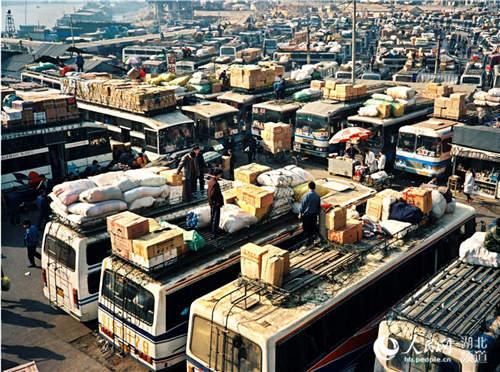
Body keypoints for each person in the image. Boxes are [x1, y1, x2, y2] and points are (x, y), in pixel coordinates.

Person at [207, 168, 224, 237]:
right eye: (220, 175)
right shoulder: (215, 183)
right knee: (216, 218)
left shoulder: (210, 181)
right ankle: (214, 233)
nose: (220, 176)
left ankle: (212, 230)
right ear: (217, 175)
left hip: (212, 203)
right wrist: (217, 202)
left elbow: (208, 193)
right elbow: (213, 194)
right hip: (216, 203)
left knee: (212, 216)